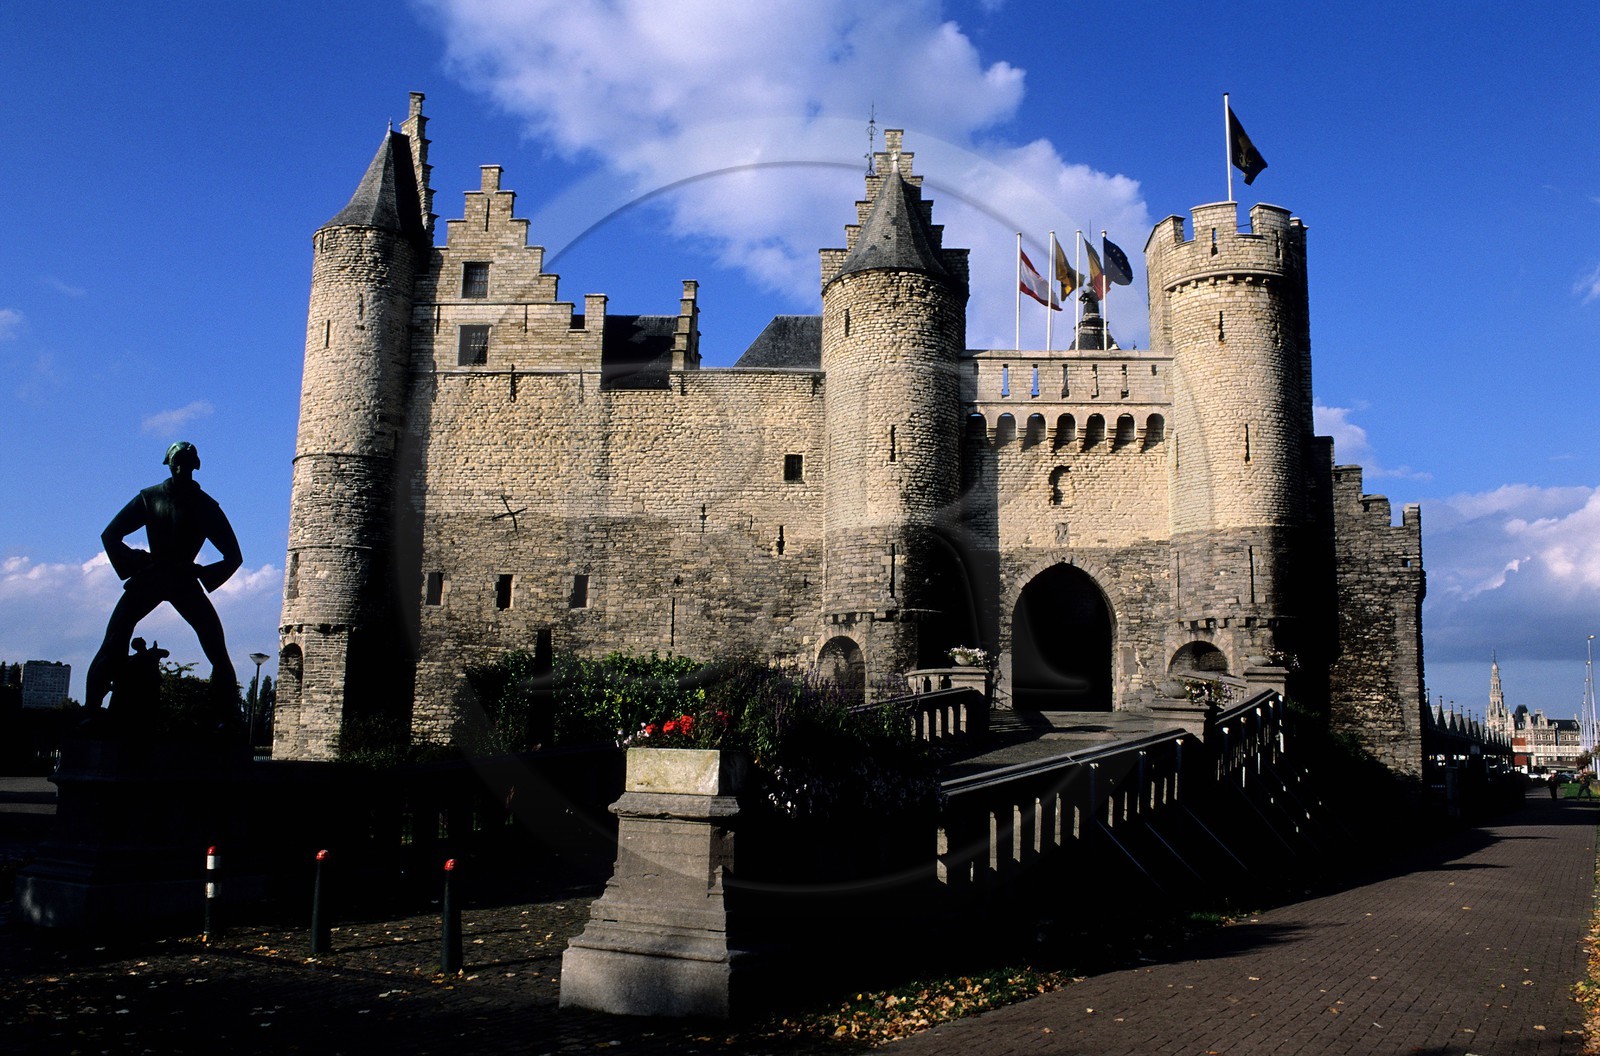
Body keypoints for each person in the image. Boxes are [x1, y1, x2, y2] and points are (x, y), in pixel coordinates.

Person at [84, 442, 243, 721]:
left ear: (195, 466)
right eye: (176, 462)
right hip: (154, 576)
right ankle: (93, 712)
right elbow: (110, 535)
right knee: (112, 643)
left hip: (181, 580)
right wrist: (138, 561)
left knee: (217, 650)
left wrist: (201, 573)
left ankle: (227, 719)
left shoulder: (206, 507)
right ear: (169, 464)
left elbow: (233, 556)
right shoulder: (150, 497)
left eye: (186, 462)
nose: (181, 467)